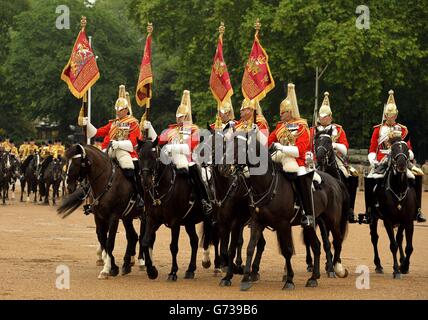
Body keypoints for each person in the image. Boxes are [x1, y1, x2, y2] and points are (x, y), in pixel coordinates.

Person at [144, 90, 215, 224]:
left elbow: (191, 147)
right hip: (171, 160)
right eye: (178, 116)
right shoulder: (172, 130)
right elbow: (159, 140)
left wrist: (172, 148)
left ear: (186, 116)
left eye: (181, 116)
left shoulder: (194, 129)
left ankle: (204, 201)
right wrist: (150, 127)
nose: (179, 119)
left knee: (197, 173)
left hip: (189, 159)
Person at [361, 90, 425, 223]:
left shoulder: (403, 129)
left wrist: (408, 156)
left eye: (393, 115)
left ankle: (417, 210)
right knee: (370, 178)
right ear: (385, 115)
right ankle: (369, 211)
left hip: (400, 159)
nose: (390, 117)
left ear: (396, 115)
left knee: (415, 176)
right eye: (388, 115)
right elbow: (373, 148)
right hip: (381, 160)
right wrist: (373, 160)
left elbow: (409, 148)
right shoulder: (377, 130)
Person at [80, 84, 144, 208]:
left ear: (126, 110)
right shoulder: (113, 124)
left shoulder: (133, 123)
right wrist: (86, 124)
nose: (118, 112)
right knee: (94, 166)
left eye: (120, 109)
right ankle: (90, 196)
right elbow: (96, 132)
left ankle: (138, 196)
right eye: (117, 109)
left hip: (125, 152)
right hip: (110, 150)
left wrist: (118, 144)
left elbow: (133, 143)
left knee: (129, 166)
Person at [268, 83, 316, 228]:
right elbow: (269, 141)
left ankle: (307, 213)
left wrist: (281, 147)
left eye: (283, 112)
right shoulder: (280, 127)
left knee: (300, 176)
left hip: (299, 160)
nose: (281, 114)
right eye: (281, 112)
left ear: (290, 112)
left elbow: (299, 150)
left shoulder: (302, 126)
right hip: (281, 157)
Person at [309, 92, 359, 223]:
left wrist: (333, 144)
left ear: (330, 117)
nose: (323, 119)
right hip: (315, 158)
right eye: (321, 116)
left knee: (351, 177)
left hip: (335, 158)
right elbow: (309, 147)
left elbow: (345, 148)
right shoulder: (312, 130)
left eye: (325, 116)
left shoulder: (339, 130)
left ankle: (349, 209)